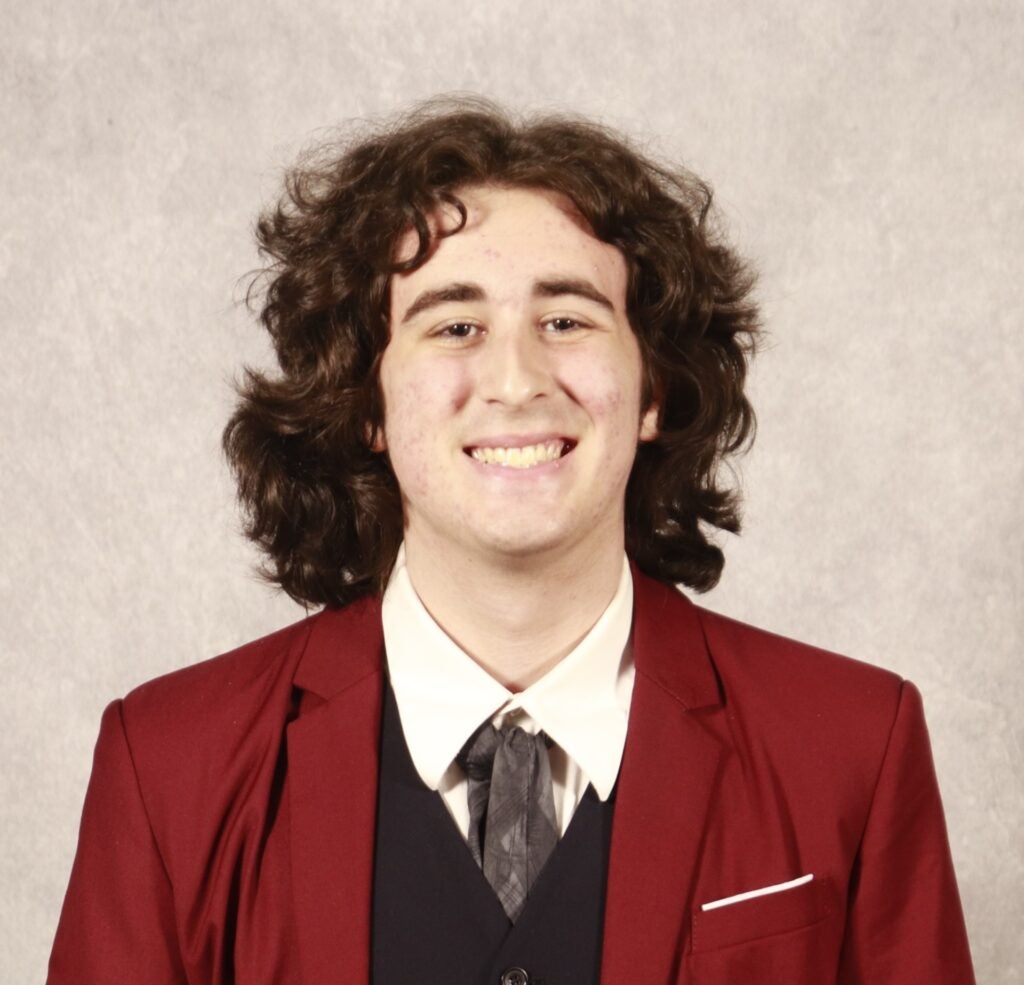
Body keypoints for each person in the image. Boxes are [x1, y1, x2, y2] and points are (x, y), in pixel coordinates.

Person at [48, 99, 975, 985]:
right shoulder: (169, 764)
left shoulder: (854, 741)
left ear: (652, 390)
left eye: (566, 320)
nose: (516, 377)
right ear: (364, 399)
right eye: (456, 325)